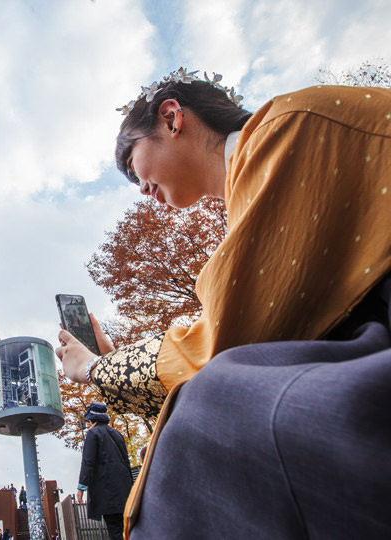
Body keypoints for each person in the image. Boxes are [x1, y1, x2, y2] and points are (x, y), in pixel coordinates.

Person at [56, 68, 391, 538]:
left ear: (172, 118)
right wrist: (115, 362)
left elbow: (220, 345)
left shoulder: (287, 129)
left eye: (135, 167)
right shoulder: (261, 173)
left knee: (201, 417)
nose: (142, 190)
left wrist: (95, 368)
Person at [76, 402, 133, 540]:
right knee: (127, 530)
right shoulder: (117, 434)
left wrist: (81, 487)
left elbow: (88, 462)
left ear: (91, 419)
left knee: (115, 531)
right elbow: (127, 462)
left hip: (107, 492)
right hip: (125, 491)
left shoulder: (92, 434)